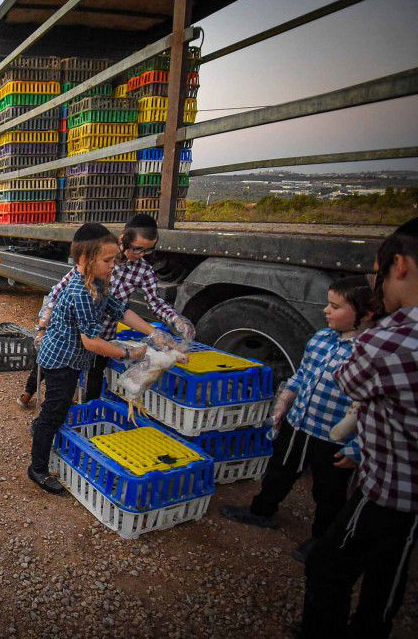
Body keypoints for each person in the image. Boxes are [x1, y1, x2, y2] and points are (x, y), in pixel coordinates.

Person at [300, 217, 418, 638]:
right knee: (387, 576)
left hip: (391, 488)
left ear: (399, 265)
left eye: (379, 272)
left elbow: (349, 382)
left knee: (330, 565)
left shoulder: (389, 339)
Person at [221, 275, 374, 562]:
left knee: (329, 490)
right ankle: (262, 511)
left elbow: (371, 407)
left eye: (336, 307)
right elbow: (301, 377)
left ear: (365, 315)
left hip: (332, 438)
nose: (326, 311)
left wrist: (355, 448)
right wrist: (283, 402)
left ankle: (322, 539)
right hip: (299, 423)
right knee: (279, 468)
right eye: (328, 304)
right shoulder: (320, 339)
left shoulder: (369, 354)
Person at [28, 223, 177, 494]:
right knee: (55, 411)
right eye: (108, 260)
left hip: (71, 360)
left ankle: (41, 429)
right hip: (62, 361)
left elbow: (119, 310)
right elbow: (91, 342)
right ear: (85, 260)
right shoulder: (81, 292)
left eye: (114, 260)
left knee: (57, 406)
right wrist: (128, 352)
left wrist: (154, 333)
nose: (113, 266)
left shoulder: (97, 283)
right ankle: (37, 467)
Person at [19, 213, 191, 408]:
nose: (142, 255)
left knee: (93, 376)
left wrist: (174, 320)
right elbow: (58, 291)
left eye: (148, 250)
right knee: (50, 364)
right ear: (123, 240)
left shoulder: (143, 271)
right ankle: (29, 393)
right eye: (138, 248)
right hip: (74, 335)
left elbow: (150, 303)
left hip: (103, 335)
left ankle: (84, 414)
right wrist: (42, 326)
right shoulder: (98, 258)